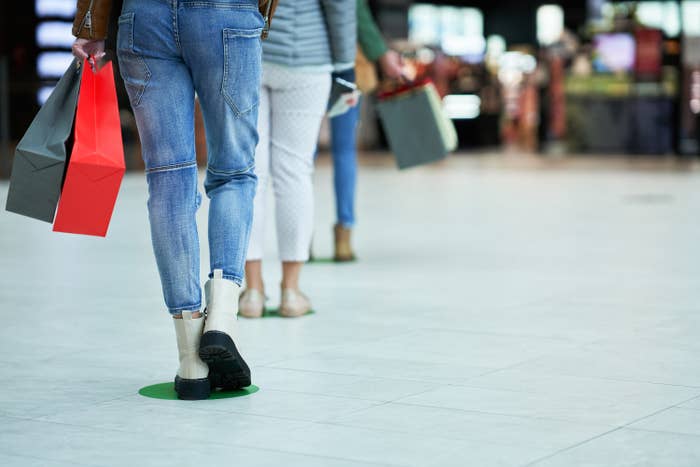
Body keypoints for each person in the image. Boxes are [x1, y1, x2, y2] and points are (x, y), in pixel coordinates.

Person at [72, 0, 278, 400]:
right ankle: (221, 316)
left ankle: (190, 360)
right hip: (226, 15)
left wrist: (90, 23)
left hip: (144, 17)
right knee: (234, 172)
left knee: (168, 179)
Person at [239, 0, 357, 318]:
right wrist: (345, 65)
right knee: (294, 172)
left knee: (251, 172)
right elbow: (341, 6)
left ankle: (252, 291)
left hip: (250, 49)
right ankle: (290, 292)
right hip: (308, 57)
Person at [327, 0, 404, 262]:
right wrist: (383, 55)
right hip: (346, 66)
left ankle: (302, 240)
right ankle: (344, 236)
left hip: (302, 64)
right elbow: (356, 12)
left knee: (297, 158)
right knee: (344, 150)